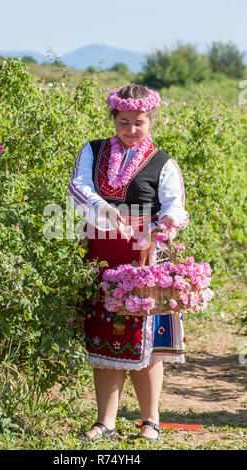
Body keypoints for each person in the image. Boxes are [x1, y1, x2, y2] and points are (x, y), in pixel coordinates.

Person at [68, 84, 189, 442]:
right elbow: (77, 187)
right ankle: (105, 421)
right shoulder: (93, 150)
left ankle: (150, 420)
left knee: (147, 343)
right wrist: (102, 208)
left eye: (138, 123)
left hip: (146, 258)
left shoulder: (163, 162)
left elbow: (175, 207)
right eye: (123, 122)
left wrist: (164, 227)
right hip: (101, 255)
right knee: (104, 337)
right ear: (114, 119)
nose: (130, 130)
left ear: (150, 121)